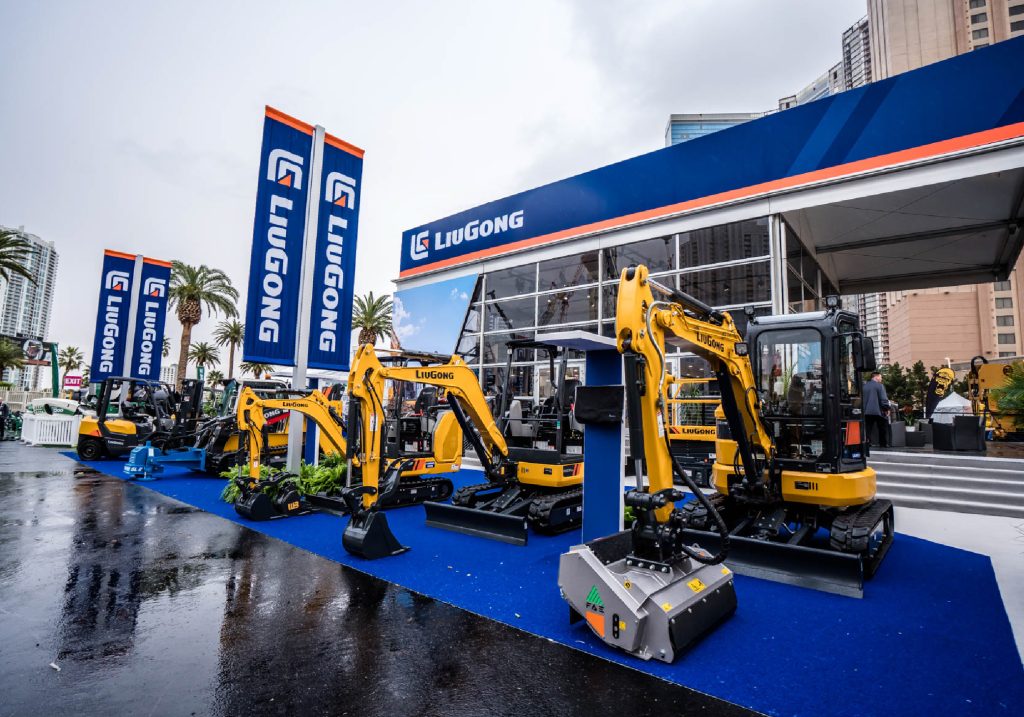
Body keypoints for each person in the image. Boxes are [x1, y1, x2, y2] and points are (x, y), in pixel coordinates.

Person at [862, 371, 891, 447]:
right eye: (880, 377)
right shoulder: (880, 386)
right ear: (876, 377)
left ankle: (867, 442)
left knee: (868, 428)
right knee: (882, 427)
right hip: (878, 411)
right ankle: (883, 443)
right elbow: (883, 399)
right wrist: (887, 408)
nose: (881, 379)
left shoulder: (864, 386)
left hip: (867, 411)